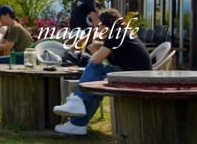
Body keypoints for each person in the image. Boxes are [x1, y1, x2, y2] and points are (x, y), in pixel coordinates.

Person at [54, 8, 151, 136]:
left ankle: (77, 111)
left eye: (99, 24)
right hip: (132, 73)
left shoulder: (116, 34)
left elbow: (96, 60)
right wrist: (98, 47)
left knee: (93, 67)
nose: (97, 28)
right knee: (95, 84)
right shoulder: (119, 33)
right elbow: (107, 61)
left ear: (107, 24)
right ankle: (77, 119)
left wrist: (96, 49)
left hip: (136, 77)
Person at [0, 5, 33, 96]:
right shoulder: (10, 28)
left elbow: (6, 47)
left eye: (0, 17)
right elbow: (1, 43)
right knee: (1, 60)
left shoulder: (15, 28)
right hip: (20, 56)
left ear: (7, 15)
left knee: (1, 60)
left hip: (25, 58)